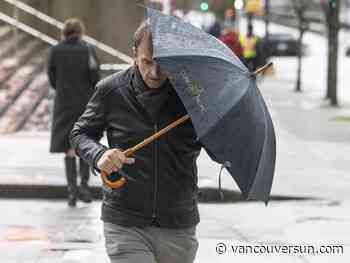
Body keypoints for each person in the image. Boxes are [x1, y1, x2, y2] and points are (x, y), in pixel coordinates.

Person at [70, 21, 201, 263]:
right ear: (134, 54)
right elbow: (80, 134)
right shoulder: (111, 90)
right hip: (124, 222)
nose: (154, 73)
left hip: (178, 223)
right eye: (147, 62)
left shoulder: (194, 97)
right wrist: (99, 155)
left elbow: (218, 148)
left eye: (162, 65)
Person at [48, 18, 100, 207]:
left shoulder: (55, 50)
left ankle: (71, 191)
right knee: (82, 143)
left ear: (65, 32)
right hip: (84, 103)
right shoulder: (88, 50)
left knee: (68, 148)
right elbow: (96, 77)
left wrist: (63, 89)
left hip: (63, 104)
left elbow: (52, 77)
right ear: (80, 31)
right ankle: (84, 187)